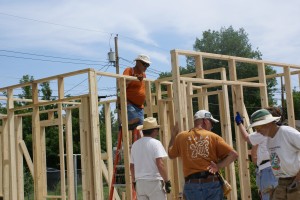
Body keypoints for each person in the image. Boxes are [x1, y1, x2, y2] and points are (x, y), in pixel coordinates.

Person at [168, 110, 238, 200]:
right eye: (211, 123)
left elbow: (170, 154)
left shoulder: (181, 137)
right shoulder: (213, 137)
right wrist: (218, 166)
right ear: (205, 121)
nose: (212, 126)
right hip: (211, 183)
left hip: (192, 185)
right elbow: (234, 154)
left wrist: (173, 136)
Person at [248, 108, 300, 200]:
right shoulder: (269, 139)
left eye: (258, 127)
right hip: (282, 182)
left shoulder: (286, 132)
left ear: (268, 124)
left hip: (295, 179)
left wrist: (298, 178)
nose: (257, 131)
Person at [235, 107, 280, 200]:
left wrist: (239, 124)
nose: (258, 129)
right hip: (269, 168)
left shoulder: (262, 133)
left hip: (267, 170)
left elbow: (247, 138)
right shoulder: (275, 131)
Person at [130, 117, 171, 199]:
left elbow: (132, 166)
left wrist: (134, 181)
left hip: (140, 183)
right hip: (154, 182)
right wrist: (167, 181)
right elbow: (160, 165)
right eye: (157, 130)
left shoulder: (135, 145)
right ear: (154, 130)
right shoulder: (156, 143)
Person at [122, 54, 151, 129]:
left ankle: (129, 128)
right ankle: (125, 127)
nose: (146, 67)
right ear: (137, 62)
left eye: (147, 65)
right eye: (144, 64)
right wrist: (134, 77)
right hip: (129, 104)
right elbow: (122, 83)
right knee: (136, 122)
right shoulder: (129, 70)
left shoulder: (143, 75)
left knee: (142, 128)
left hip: (140, 107)